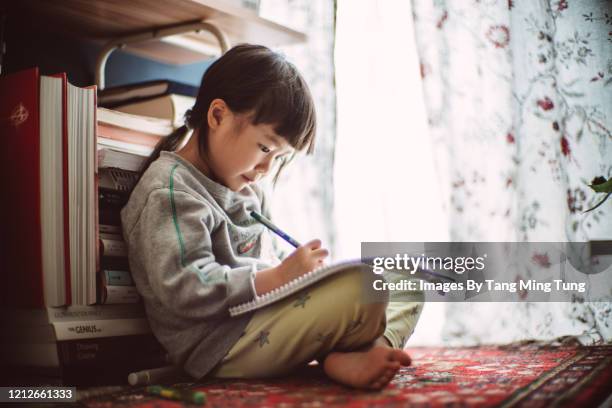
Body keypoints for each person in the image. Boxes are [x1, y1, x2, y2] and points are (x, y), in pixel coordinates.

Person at [121, 44, 422, 390]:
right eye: (265, 148)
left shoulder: (249, 188)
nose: (266, 168)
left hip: (269, 319)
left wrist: (302, 276)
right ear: (217, 116)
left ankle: (364, 352)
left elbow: (266, 258)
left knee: (406, 282)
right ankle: (345, 349)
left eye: (279, 158)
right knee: (359, 286)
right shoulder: (171, 192)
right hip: (223, 344)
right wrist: (281, 277)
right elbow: (187, 288)